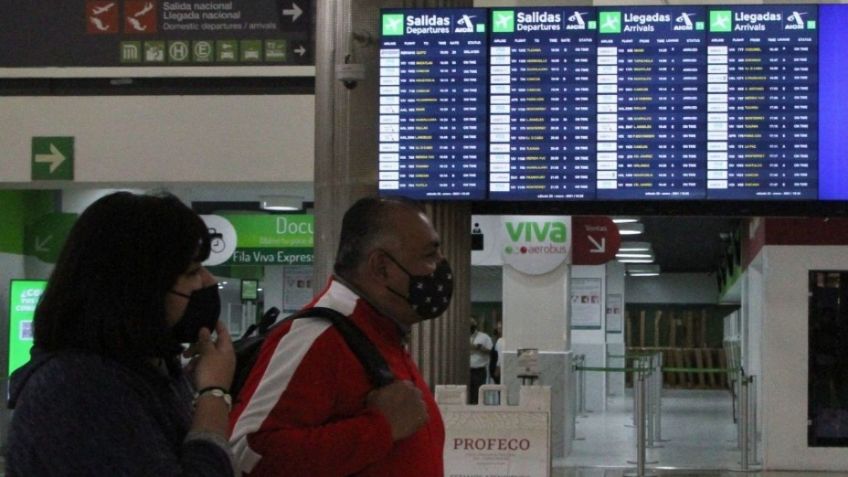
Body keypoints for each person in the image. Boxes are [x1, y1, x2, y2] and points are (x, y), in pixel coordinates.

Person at [6, 192, 236, 476]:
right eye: (192, 272)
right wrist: (213, 395)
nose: (207, 282)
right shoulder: (79, 389)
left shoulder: (144, 372)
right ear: (141, 287)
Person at [230, 197, 450, 476]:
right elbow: (247, 452)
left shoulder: (378, 332)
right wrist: (378, 429)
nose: (441, 268)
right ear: (381, 267)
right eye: (430, 255)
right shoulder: (320, 335)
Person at [468, 317, 492, 404]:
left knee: (478, 392)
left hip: (479, 370)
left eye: (471, 325)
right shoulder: (461, 337)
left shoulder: (484, 337)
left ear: (475, 326)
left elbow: (490, 351)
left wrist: (478, 347)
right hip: (466, 370)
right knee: (467, 393)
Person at [491, 321, 504, 385]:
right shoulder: (498, 340)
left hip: (500, 370)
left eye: (500, 328)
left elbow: (500, 357)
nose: (499, 330)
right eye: (498, 328)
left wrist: (498, 369)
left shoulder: (501, 341)